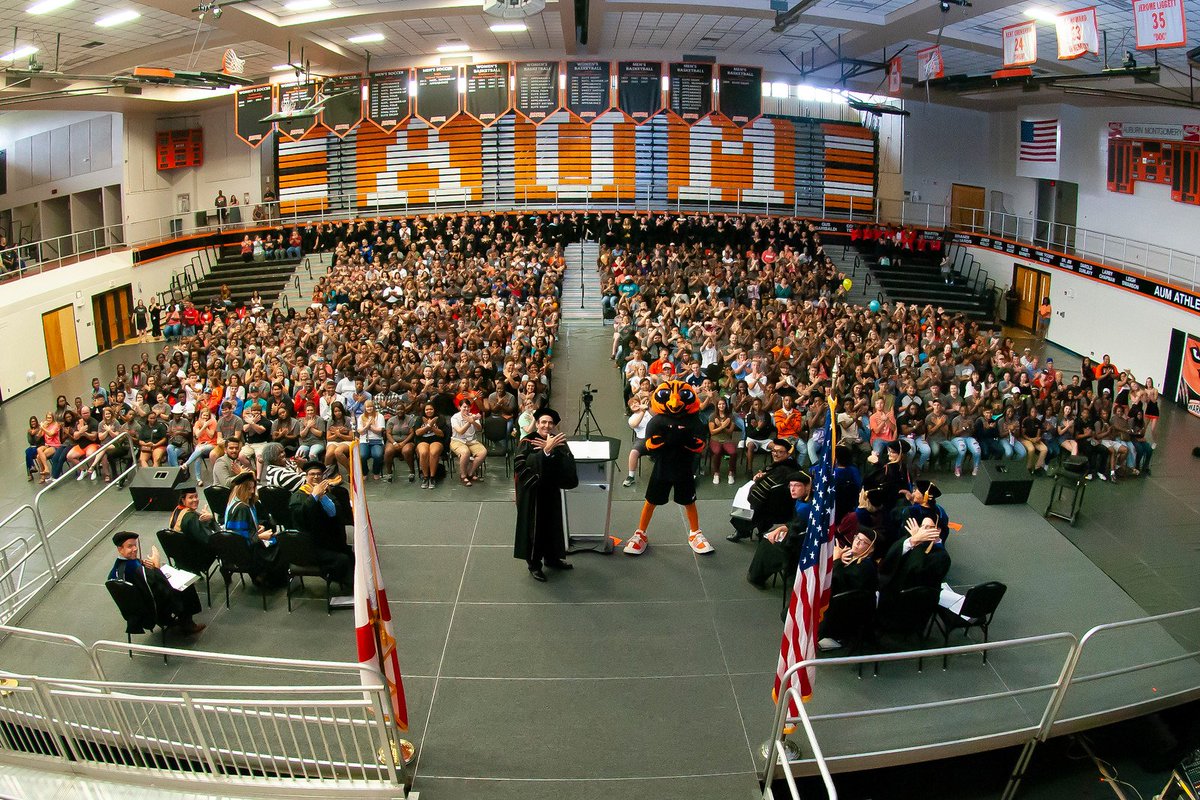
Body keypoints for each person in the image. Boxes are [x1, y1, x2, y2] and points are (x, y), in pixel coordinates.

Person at [513, 408, 579, 582]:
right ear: (537, 423)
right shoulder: (527, 441)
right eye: (543, 422)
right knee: (535, 529)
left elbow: (568, 465)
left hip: (551, 491)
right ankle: (534, 565)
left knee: (553, 525)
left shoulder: (559, 442)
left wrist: (553, 450)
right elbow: (521, 466)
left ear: (554, 425)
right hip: (533, 494)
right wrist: (545, 452)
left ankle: (552, 558)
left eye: (550, 423)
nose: (546, 425)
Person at [107, 530, 205, 636]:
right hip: (151, 609)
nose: (135, 549)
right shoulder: (136, 569)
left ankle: (170, 620)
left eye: (135, 545)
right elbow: (158, 588)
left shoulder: (115, 570)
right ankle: (187, 624)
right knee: (185, 586)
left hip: (134, 611)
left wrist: (142, 563)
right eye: (130, 546)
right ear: (119, 548)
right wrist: (156, 565)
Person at [287, 461, 354, 586]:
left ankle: (354, 586)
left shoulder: (327, 494)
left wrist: (322, 497)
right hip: (311, 545)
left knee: (350, 554)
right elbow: (300, 518)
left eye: (319, 474)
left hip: (328, 541)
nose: (316, 477)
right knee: (342, 560)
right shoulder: (298, 496)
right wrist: (314, 497)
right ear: (306, 477)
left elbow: (336, 514)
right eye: (312, 474)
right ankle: (348, 585)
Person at [746, 470, 812, 588]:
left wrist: (780, 536)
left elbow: (797, 530)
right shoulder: (802, 500)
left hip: (797, 545)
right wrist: (783, 527)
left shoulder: (805, 508)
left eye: (797, 485)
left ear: (807, 487)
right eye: (791, 485)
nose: (792, 489)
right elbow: (795, 523)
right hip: (796, 533)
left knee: (767, 543)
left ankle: (756, 577)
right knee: (769, 536)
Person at [817, 528, 879, 651]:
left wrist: (836, 561)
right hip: (841, 602)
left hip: (849, 610)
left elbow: (842, 582)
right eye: (857, 538)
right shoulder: (851, 556)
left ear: (870, 549)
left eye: (863, 542)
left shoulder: (866, 566)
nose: (857, 542)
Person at [167, 486, 219, 551]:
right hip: (193, 554)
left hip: (179, 553)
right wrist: (211, 520)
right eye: (190, 497)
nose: (195, 500)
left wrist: (200, 521)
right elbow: (207, 539)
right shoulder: (191, 517)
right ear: (183, 500)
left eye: (196, 496)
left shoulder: (177, 509)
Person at [450, 399, 487, 486]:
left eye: (468, 407)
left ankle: (470, 473)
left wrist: (473, 421)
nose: (466, 409)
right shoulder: (455, 418)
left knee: (483, 452)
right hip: (457, 441)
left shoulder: (473, 416)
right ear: (460, 407)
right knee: (465, 452)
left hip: (472, 441)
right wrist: (469, 422)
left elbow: (479, 429)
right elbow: (460, 431)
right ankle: (463, 476)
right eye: (464, 407)